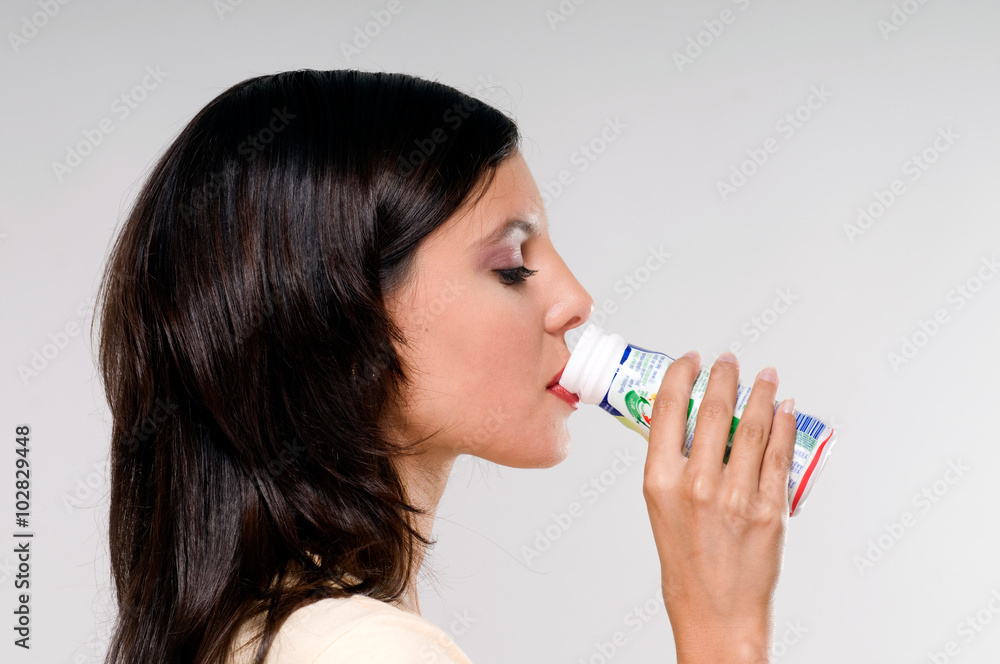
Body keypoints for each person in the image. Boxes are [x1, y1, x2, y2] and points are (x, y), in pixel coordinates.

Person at [95, 68, 797, 664]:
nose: (576, 300)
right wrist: (722, 626)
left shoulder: (265, 634)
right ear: (336, 312)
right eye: (512, 264)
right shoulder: (363, 652)